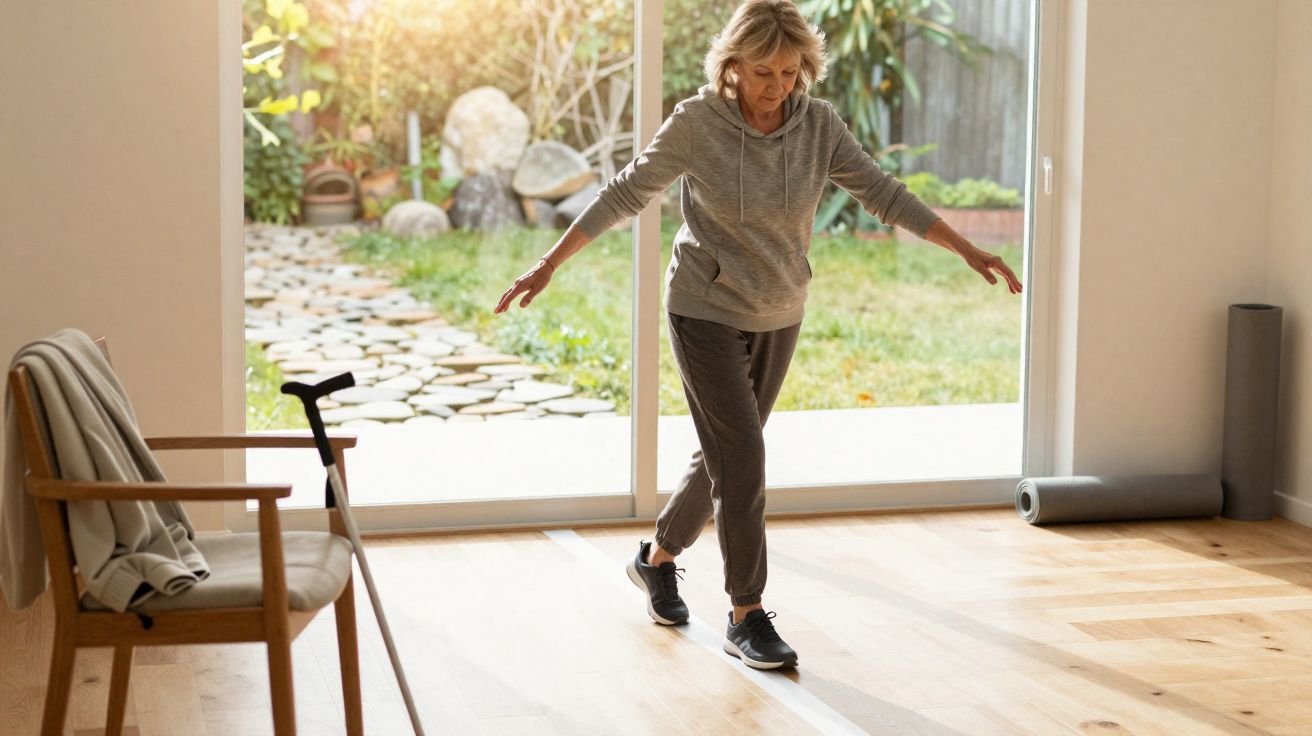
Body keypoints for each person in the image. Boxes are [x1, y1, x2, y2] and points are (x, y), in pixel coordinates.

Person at [494, 0, 1023, 670]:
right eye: (763, 71)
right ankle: (746, 614)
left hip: (779, 309)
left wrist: (965, 248)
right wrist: (549, 263)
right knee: (743, 457)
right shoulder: (698, 123)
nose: (777, 86)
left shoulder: (819, 125)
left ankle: (656, 559)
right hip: (704, 309)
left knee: (726, 454)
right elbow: (626, 192)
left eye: (790, 71)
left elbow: (883, 193)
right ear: (733, 66)